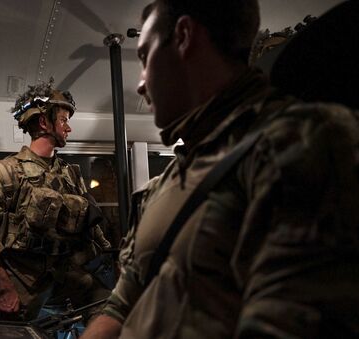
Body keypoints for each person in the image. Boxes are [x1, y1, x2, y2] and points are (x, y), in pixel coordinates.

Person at [83, 1, 359, 338]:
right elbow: (121, 305)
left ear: (184, 36)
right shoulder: (163, 185)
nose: (141, 84)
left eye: (144, 57)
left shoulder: (301, 142)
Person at [0, 79, 112, 321]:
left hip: (62, 273)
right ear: (44, 122)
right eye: (63, 120)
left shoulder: (69, 174)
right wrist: (5, 288)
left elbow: (89, 226)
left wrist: (109, 254)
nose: (68, 128)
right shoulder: (7, 173)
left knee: (105, 303)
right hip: (22, 281)